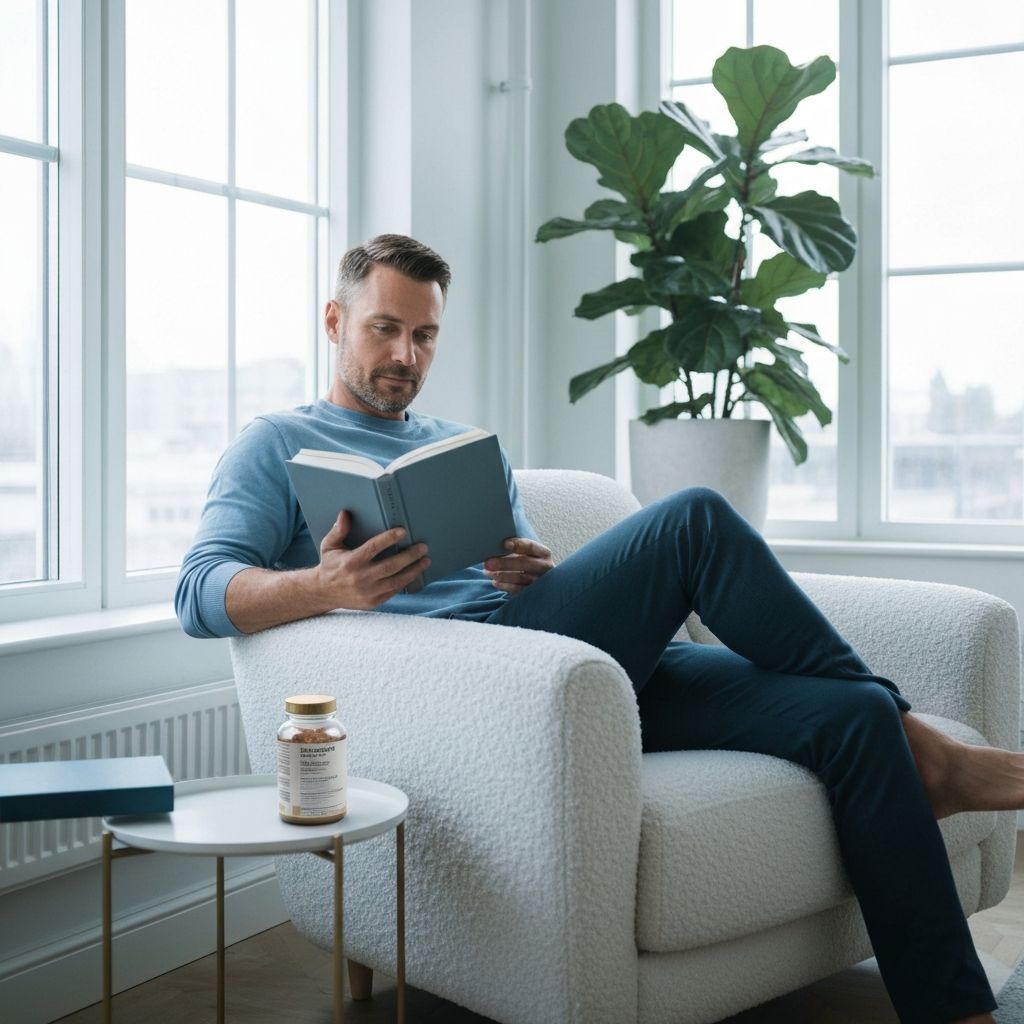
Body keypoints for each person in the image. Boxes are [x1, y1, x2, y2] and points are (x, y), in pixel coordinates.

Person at [177, 233, 1022, 1024]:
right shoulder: (277, 442)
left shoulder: (460, 446)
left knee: (849, 718)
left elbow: (516, 569)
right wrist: (324, 585)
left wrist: (530, 568)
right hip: (481, 691)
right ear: (335, 321)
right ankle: (933, 752)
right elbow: (199, 591)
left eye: (425, 336)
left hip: (560, 666)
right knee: (692, 519)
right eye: (385, 330)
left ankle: (956, 1008)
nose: (405, 357)